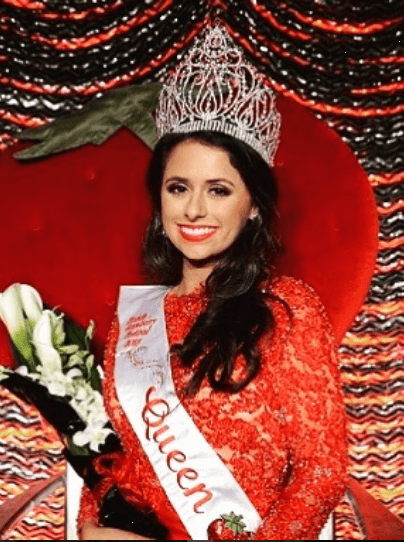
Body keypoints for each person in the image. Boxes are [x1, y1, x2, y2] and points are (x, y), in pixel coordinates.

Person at [77, 24, 347, 540]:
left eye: (219, 190)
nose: (195, 209)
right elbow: (119, 457)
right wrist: (93, 523)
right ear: (159, 198)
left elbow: (321, 473)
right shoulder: (134, 316)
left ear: (252, 208)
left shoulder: (289, 309)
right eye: (178, 187)